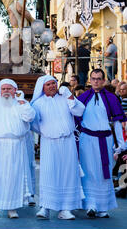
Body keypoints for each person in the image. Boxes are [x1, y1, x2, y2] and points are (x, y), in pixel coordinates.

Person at [30, 75, 85, 220]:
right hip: (49, 142)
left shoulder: (65, 98)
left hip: (68, 141)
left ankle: (66, 209)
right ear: (43, 87)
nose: (52, 86)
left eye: (53, 83)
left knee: (68, 173)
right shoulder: (38, 103)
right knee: (48, 173)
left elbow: (79, 111)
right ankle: (45, 207)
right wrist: (46, 131)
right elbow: (34, 125)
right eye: (48, 84)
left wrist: (70, 96)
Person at [0, 79, 35, 219]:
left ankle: (12, 208)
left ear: (15, 90)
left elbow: (29, 117)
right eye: (3, 88)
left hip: (15, 146)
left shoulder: (21, 104)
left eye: (9, 89)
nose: (6, 91)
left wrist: (22, 102)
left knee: (14, 177)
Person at [75, 69, 126, 218]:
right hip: (87, 138)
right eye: (93, 78)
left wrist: (120, 145)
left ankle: (103, 206)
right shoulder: (83, 98)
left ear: (104, 81)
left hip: (105, 139)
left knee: (105, 172)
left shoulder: (112, 98)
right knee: (88, 171)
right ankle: (90, 204)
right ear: (89, 80)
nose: (96, 81)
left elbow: (117, 122)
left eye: (99, 79)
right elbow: (76, 121)